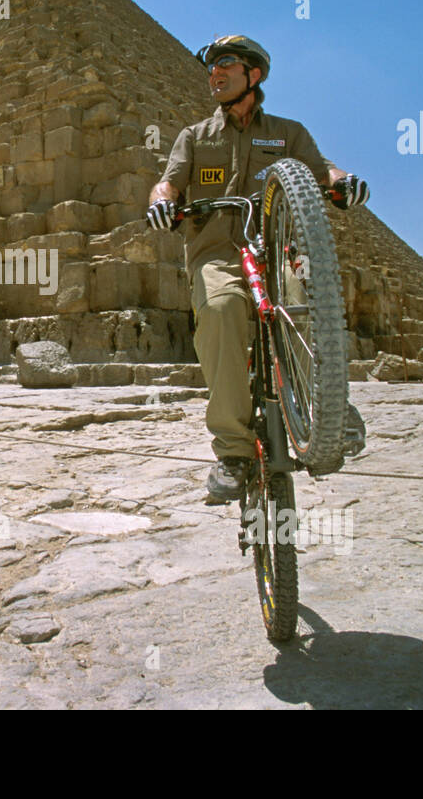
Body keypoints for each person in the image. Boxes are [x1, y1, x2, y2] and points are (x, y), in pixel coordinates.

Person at [146, 35, 370, 503]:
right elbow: (167, 183)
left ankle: (328, 408)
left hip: (280, 251)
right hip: (217, 253)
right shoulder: (195, 136)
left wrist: (343, 183)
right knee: (222, 309)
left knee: (307, 302)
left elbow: (322, 168)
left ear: (255, 74)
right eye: (211, 67)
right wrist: (163, 205)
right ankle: (233, 451)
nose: (214, 73)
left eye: (225, 63)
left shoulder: (288, 134)